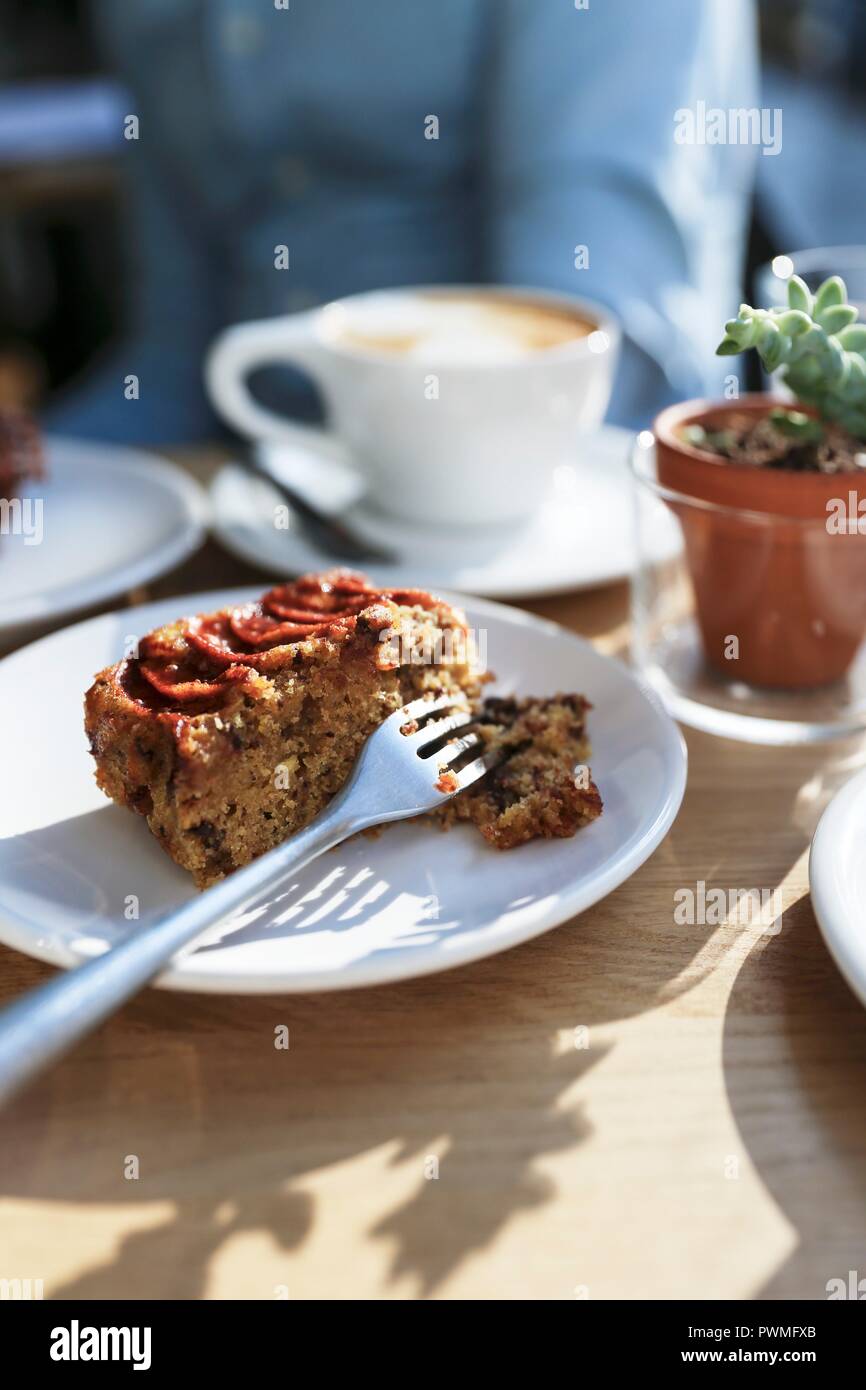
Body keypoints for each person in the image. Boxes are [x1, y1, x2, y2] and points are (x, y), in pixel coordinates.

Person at [46, 0, 758, 444]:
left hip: (563, 513)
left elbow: (585, 356)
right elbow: (173, 365)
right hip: (255, 518)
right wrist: (53, 477)